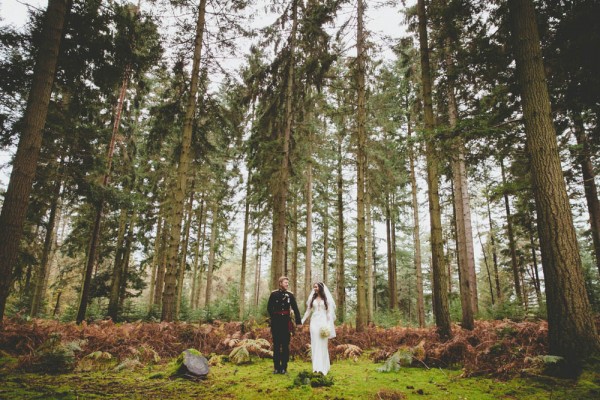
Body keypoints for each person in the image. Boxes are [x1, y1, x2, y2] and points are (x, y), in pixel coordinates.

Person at [267, 276, 302, 374]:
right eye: (285, 282)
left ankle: (284, 368)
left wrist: (298, 322)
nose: (287, 284)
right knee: (277, 345)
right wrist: (274, 317)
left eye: (287, 282)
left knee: (285, 345)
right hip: (276, 323)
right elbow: (269, 308)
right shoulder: (274, 294)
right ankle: (276, 367)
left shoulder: (290, 295)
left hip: (286, 323)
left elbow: (295, 309)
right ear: (280, 283)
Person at [301, 282, 336, 375]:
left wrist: (328, 325)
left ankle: (323, 367)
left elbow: (329, 313)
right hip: (314, 323)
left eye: (316, 287)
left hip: (323, 322)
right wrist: (302, 320)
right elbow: (308, 311)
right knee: (315, 344)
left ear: (320, 288)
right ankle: (316, 368)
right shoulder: (312, 299)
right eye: (314, 287)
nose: (314, 288)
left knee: (323, 344)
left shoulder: (326, 299)